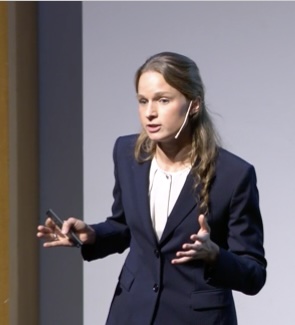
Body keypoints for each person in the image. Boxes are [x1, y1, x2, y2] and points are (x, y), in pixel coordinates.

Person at [37, 52, 267, 325]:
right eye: (143, 101)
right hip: (132, 312)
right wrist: (93, 235)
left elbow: (254, 274)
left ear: (194, 104)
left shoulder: (234, 175)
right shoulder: (127, 154)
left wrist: (214, 255)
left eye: (163, 100)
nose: (150, 112)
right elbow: (123, 227)